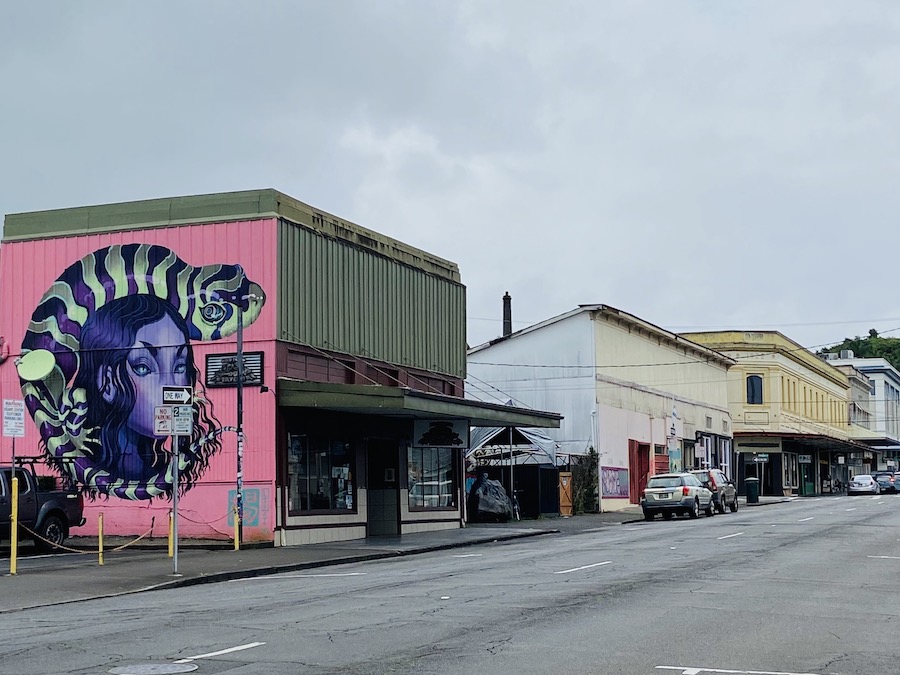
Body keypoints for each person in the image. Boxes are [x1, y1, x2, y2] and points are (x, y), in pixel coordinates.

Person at [70, 294, 222, 498]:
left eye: (179, 366)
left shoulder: (169, 464)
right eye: (144, 367)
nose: (169, 387)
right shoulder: (82, 457)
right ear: (107, 383)